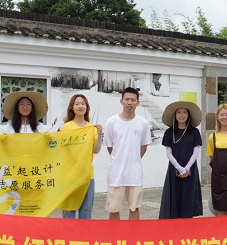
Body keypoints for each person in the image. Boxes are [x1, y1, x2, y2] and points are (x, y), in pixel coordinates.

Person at [104, 87, 152, 220]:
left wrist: (133, 159)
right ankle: (115, 233)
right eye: (127, 99)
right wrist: (119, 158)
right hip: (116, 173)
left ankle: (133, 234)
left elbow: (143, 147)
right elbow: (110, 147)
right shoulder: (111, 122)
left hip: (135, 174)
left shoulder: (143, 123)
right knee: (114, 209)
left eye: (133, 100)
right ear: (121, 101)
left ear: (138, 102)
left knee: (134, 208)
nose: (129, 102)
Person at [60, 94, 103, 219]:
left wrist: (100, 134)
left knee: (86, 212)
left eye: (83, 103)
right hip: (70, 175)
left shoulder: (91, 128)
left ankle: (83, 233)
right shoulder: (67, 127)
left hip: (87, 175)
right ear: (72, 107)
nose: (80, 106)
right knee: (69, 213)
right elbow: (62, 150)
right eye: (77, 104)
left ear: (87, 107)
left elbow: (96, 150)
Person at [159, 101, 203, 219]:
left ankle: (187, 226)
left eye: (184, 112)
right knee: (174, 200)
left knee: (188, 199)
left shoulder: (194, 132)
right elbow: (169, 153)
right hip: (174, 168)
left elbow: (195, 152)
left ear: (188, 115)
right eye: (178, 112)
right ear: (175, 115)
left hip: (190, 168)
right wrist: (179, 168)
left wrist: (186, 169)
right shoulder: (170, 132)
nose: (181, 115)